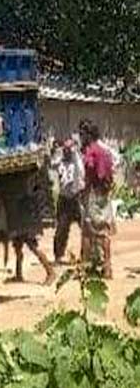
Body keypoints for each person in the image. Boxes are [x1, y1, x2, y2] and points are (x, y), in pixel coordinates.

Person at [4, 167, 57, 285]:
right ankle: (18, 274)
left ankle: (50, 272)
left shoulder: (31, 177)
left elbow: (29, 194)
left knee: (33, 246)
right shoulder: (28, 175)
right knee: (17, 245)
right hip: (21, 213)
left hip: (28, 216)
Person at [79, 119, 115, 278]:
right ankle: (107, 267)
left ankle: (85, 268)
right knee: (104, 231)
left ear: (88, 134)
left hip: (93, 193)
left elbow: (93, 174)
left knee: (87, 232)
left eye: (82, 134)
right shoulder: (105, 150)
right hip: (104, 194)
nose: (80, 137)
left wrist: (85, 192)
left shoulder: (91, 151)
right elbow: (108, 173)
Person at [53, 138, 85, 264]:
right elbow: (52, 163)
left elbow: (81, 170)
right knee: (61, 229)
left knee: (85, 228)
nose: (67, 151)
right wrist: (59, 150)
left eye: (69, 149)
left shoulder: (77, 160)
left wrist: (75, 150)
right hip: (64, 199)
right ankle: (58, 255)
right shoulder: (60, 161)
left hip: (76, 198)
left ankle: (86, 254)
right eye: (65, 149)